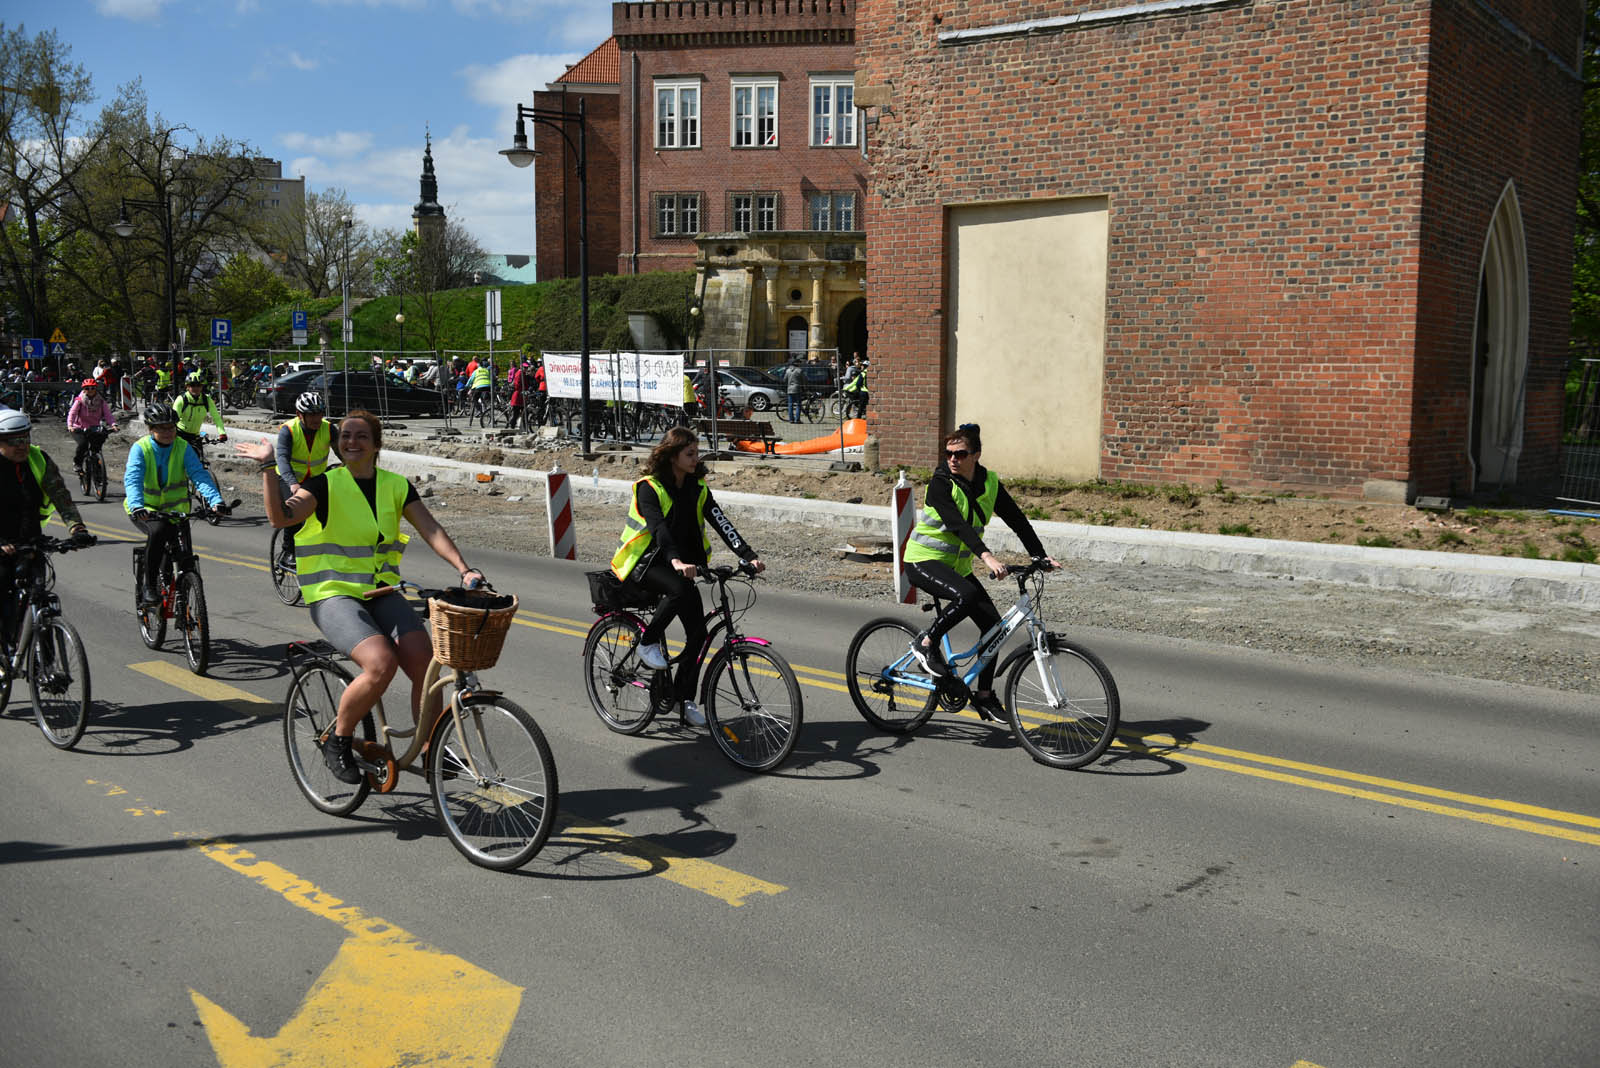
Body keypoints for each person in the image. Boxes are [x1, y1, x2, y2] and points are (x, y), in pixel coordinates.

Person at [237, 411, 485, 784]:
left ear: (376, 444)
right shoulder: (323, 484)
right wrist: (269, 467)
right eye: (346, 436)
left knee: (427, 665)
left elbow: (431, 528)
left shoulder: (396, 485)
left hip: (381, 591)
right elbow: (282, 519)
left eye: (361, 436)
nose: (351, 442)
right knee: (380, 663)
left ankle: (432, 744)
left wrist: (464, 569)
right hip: (332, 594)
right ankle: (338, 739)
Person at [901, 423, 1058, 722]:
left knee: (993, 628)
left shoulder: (990, 483)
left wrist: (1039, 556)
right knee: (968, 595)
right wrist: (987, 556)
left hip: (955, 567)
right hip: (923, 561)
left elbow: (1017, 520)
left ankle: (984, 696)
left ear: (976, 455)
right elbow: (958, 525)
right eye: (948, 453)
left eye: (960, 454)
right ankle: (925, 643)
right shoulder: (940, 483)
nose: (952, 459)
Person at [610, 427, 764, 728]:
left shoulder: (697, 487)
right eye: (690, 453)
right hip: (644, 564)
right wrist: (676, 559)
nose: (696, 459)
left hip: (680, 566)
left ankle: (683, 698)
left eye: (697, 453)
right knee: (680, 589)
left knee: (697, 636)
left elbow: (721, 521)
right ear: (672, 456)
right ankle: (647, 641)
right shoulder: (649, 487)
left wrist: (747, 554)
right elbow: (658, 529)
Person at [0, 411, 94, 652]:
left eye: (25, 438)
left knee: (39, 593)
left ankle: (47, 665)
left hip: (31, 540)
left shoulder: (38, 458)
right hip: (2, 543)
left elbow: (61, 496)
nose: (21, 446)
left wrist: (77, 527)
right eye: (13, 441)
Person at [124, 403, 229, 608]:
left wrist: (215, 501)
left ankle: (186, 598)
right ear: (150, 429)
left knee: (184, 556)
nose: (167, 432)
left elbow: (199, 475)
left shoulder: (183, 447)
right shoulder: (141, 448)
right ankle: (149, 587)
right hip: (146, 510)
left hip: (177, 512)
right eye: (161, 428)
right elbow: (133, 478)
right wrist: (137, 505)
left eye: (171, 427)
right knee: (159, 531)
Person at [272, 391, 335, 564]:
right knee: (293, 511)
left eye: (319, 413)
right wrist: (293, 483)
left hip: (315, 479)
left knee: (328, 513)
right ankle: (288, 551)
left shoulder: (328, 428)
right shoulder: (289, 430)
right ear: (300, 415)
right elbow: (282, 459)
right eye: (311, 414)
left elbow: (344, 453)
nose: (316, 418)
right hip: (289, 478)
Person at [66, 378, 116, 475]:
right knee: (83, 444)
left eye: (92, 388)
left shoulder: (101, 401)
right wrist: (70, 425)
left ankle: (97, 471)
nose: (90, 390)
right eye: (87, 388)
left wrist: (113, 424)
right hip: (79, 428)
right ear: (84, 390)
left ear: (96, 389)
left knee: (96, 447)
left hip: (94, 427)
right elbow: (72, 413)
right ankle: (77, 463)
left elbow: (108, 415)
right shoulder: (80, 401)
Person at [173, 373, 227, 455]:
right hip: (180, 435)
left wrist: (222, 433)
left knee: (199, 462)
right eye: (192, 385)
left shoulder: (207, 400)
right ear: (187, 387)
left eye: (198, 385)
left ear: (202, 386)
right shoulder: (181, 400)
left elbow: (216, 418)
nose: (195, 388)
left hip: (195, 436)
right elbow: (173, 419)